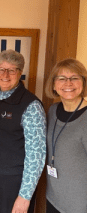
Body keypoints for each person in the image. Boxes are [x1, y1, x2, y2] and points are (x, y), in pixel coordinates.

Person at [0, 49, 46, 213]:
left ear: (20, 73)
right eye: (1, 69)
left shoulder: (32, 106)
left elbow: (36, 156)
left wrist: (24, 196)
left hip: (12, 183)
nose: (5, 75)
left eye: (12, 70)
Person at [44, 58, 87, 213]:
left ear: (83, 82)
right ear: (54, 84)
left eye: (74, 78)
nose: (68, 83)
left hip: (80, 205)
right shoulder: (52, 111)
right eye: (61, 78)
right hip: (53, 198)